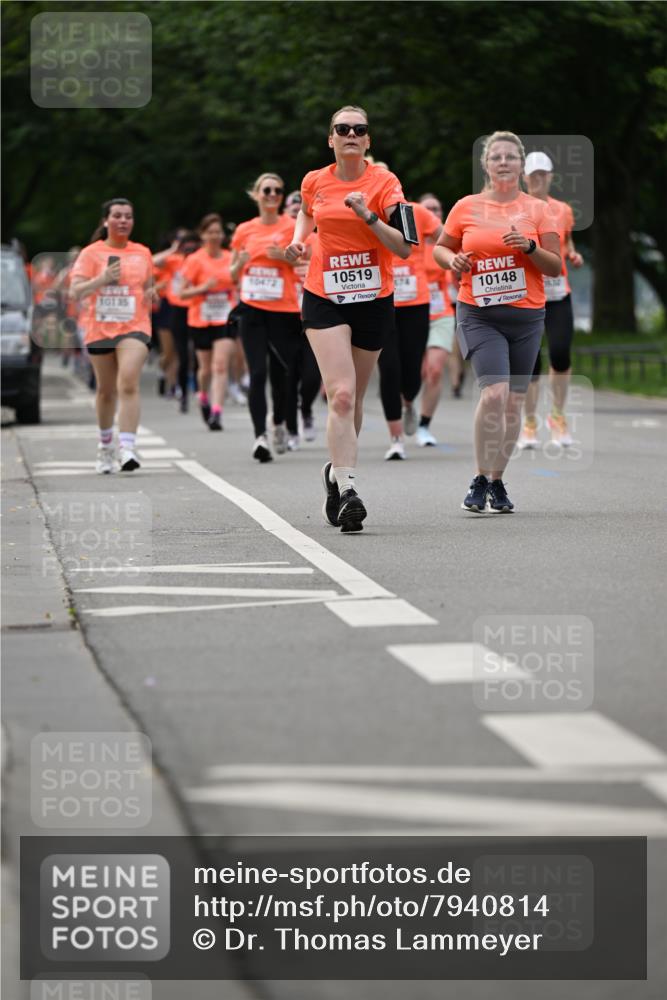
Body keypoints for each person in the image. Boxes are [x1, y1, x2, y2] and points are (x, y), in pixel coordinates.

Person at [285, 105, 412, 531]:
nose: (351, 134)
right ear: (331, 139)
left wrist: (368, 215)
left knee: (355, 397)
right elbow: (305, 211)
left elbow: (405, 247)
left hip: (374, 295)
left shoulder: (385, 182)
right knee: (339, 394)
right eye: (343, 129)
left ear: (368, 140)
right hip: (325, 294)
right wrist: (299, 241)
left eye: (360, 129)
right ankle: (349, 489)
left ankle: (335, 475)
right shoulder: (314, 181)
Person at [434, 131, 561, 512]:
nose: (503, 162)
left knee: (513, 404)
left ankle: (497, 481)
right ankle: (478, 476)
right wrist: (451, 261)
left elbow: (553, 267)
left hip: (526, 317)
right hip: (479, 312)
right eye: (496, 157)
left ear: (521, 166)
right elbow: (441, 247)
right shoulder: (466, 206)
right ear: (486, 166)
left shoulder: (539, 210)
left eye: (510, 157)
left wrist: (531, 247)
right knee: (494, 394)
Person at [70, 198, 153, 473]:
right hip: (100, 327)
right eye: (117, 216)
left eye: (128, 216)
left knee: (128, 381)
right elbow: (76, 291)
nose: (123, 221)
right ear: (106, 220)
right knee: (106, 391)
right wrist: (101, 279)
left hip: (134, 326)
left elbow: (148, 288)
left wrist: (153, 294)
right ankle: (105, 445)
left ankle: (127, 447)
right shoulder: (91, 253)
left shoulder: (142, 252)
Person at [231, 173, 302, 461]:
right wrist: (240, 263)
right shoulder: (244, 230)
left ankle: (280, 423)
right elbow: (232, 273)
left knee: (282, 373)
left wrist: (282, 257)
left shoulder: (292, 226)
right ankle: (260, 436)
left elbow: (302, 259)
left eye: (277, 191)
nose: (272, 195)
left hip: (284, 311)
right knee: (257, 373)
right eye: (267, 190)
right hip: (252, 309)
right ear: (256, 194)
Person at [517, 151, 584, 449]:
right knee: (531, 362)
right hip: (528, 293)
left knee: (560, 354)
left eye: (543, 174)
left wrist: (572, 253)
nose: (538, 179)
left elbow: (566, 240)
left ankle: (557, 417)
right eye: (533, 175)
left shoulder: (563, 210)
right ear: (524, 177)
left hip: (558, 293)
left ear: (551, 177)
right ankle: (529, 423)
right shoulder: (515, 208)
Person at [378, 194, 442, 459]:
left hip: (416, 302)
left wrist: (440, 256)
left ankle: (408, 403)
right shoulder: (370, 215)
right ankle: (396, 439)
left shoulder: (416, 212)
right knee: (389, 369)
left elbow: (445, 237)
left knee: (412, 370)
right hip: (382, 300)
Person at [179, 214, 237, 430]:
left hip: (225, 318)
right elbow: (182, 293)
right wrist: (204, 288)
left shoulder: (230, 257)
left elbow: (239, 283)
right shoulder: (194, 260)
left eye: (218, 232)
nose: (214, 235)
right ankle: (202, 395)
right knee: (205, 369)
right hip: (200, 319)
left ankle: (216, 412)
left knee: (220, 366)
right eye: (210, 232)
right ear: (203, 235)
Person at [413, 194, 457, 447]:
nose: (432, 213)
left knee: (435, 370)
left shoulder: (448, 246)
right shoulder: (407, 242)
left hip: (440, 313)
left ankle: (424, 425)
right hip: (411, 313)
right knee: (413, 373)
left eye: (436, 209)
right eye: (427, 209)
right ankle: (408, 404)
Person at [284, 189, 322, 443]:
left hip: (314, 313)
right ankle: (290, 428)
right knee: (287, 374)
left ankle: (306, 409)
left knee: (311, 376)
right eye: (292, 205)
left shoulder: (321, 239)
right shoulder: (277, 237)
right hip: (284, 315)